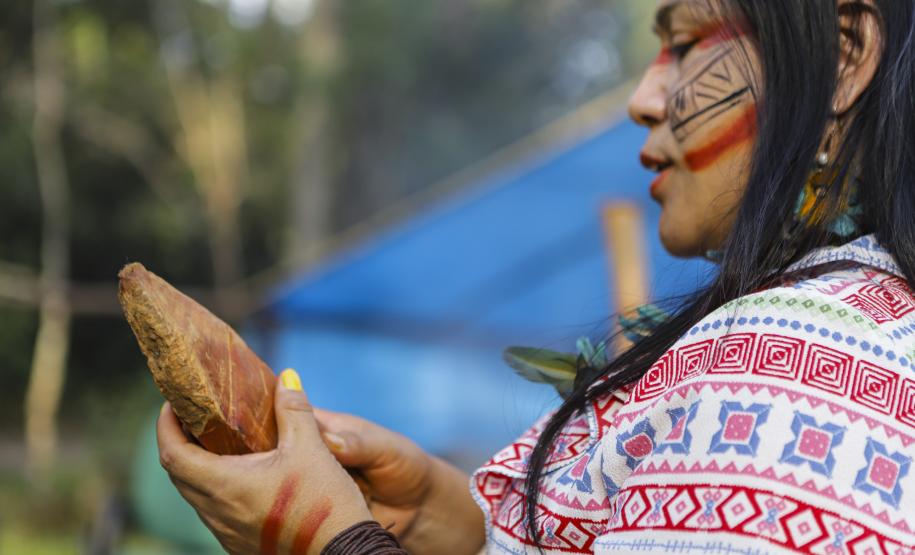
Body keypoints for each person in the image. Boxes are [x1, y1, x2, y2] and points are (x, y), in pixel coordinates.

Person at [155, 0, 915, 553]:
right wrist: (449, 522)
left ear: (842, 54)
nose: (642, 98)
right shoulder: (870, 328)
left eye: (684, 43)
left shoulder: (784, 374)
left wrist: (321, 535)